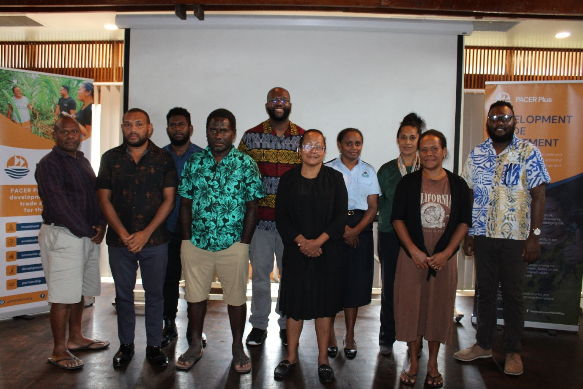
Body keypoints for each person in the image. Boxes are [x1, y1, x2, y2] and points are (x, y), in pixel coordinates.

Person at [455, 100, 550, 376]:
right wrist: (470, 232)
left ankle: (512, 351)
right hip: (483, 235)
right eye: (495, 118)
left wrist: (534, 236)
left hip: (516, 238)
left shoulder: (528, 152)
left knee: (513, 296)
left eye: (505, 118)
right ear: (488, 121)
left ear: (513, 121)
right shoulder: (477, 154)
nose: (500, 122)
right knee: (484, 293)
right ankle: (483, 344)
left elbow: (539, 195)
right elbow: (469, 194)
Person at [176, 108, 264, 373]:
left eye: (224, 130)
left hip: (233, 244)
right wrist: (186, 240)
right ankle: (194, 345)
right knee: (194, 297)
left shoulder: (246, 164)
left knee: (236, 298)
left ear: (233, 133)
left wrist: (243, 243)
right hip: (196, 244)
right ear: (206, 132)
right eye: (213, 129)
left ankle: (238, 347)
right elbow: (185, 204)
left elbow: (253, 207)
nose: (218, 135)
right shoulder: (194, 162)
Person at [97, 108, 177, 368]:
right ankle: (126, 346)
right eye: (128, 124)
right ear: (122, 128)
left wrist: (145, 234)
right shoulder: (110, 158)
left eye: (139, 124)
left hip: (155, 241)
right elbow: (103, 198)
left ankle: (154, 347)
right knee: (123, 297)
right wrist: (123, 233)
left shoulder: (164, 158)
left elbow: (169, 200)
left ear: (149, 128)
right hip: (120, 242)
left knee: (155, 295)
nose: (133, 129)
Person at [392, 130, 472, 388]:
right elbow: (397, 219)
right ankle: (414, 361)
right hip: (412, 259)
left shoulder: (458, 184)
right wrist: (414, 251)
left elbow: (463, 222)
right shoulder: (408, 183)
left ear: (444, 151)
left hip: (443, 261)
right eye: (423, 149)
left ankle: (434, 363)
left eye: (434, 149)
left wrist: (447, 254)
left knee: (438, 312)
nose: (428, 154)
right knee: (411, 310)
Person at [273, 130, 348, 383]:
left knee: (324, 307)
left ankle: (323, 360)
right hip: (297, 253)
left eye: (319, 146)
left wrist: (318, 242)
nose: (313, 150)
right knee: (294, 307)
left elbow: (340, 217)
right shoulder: (288, 180)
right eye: (308, 145)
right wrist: (303, 243)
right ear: (299, 150)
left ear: (325, 150)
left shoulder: (335, 179)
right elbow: (281, 217)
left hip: (328, 252)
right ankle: (291, 356)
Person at [36, 116, 109, 370]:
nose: (70, 136)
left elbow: (96, 195)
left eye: (74, 132)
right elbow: (58, 205)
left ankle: (76, 338)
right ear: (54, 135)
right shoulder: (49, 164)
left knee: (78, 291)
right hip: (65, 235)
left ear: (81, 135)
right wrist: (87, 230)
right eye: (64, 132)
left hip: (86, 235)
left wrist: (101, 223)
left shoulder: (83, 161)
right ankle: (58, 350)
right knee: (62, 295)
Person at [238, 87, 305, 347]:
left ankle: (287, 325)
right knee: (261, 276)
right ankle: (258, 325)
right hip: (260, 224)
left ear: (290, 104)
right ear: (267, 105)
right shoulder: (251, 137)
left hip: (292, 226)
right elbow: (239, 176)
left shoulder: (302, 137)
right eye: (274, 100)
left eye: (283, 100)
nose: (279, 104)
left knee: (290, 277)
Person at [325, 128, 380, 359]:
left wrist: (356, 229)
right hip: (333, 229)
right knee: (331, 284)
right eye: (349, 143)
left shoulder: (368, 170)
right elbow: (324, 204)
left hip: (361, 230)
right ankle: (329, 335)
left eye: (358, 143)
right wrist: (343, 229)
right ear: (339, 145)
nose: (353, 147)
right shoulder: (327, 169)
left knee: (355, 285)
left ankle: (349, 335)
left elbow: (373, 206)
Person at [376, 112, 425, 356]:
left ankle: (414, 337)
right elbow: (378, 206)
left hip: (420, 237)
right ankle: (387, 335)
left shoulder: (427, 169)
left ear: (419, 140)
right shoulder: (386, 171)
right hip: (389, 235)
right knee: (390, 288)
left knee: (416, 289)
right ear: (397, 140)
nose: (407, 142)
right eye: (403, 137)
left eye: (412, 137)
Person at [160, 107, 205, 348]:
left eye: (181, 125)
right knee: (168, 279)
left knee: (196, 280)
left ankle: (195, 329)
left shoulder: (203, 157)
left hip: (196, 231)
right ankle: (169, 323)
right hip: (165, 229)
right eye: (173, 125)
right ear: (167, 129)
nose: (177, 129)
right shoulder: (158, 156)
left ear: (190, 128)